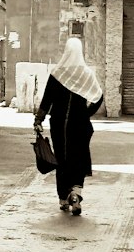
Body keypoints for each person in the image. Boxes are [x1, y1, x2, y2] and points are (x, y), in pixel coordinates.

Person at [33, 37, 104, 215]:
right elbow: (98, 97)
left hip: (59, 124)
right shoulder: (86, 73)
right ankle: (76, 193)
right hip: (80, 124)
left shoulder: (58, 73)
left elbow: (46, 100)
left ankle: (64, 198)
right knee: (79, 157)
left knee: (62, 159)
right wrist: (86, 113)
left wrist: (38, 120)